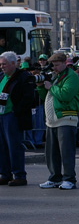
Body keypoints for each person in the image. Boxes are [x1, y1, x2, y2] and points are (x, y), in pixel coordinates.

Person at [38, 52, 79, 190]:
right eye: (53, 65)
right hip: (53, 120)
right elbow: (47, 96)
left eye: (57, 65)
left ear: (65, 63)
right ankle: (55, 177)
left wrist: (50, 86)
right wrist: (41, 86)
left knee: (66, 152)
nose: (55, 68)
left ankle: (69, 179)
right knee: (52, 153)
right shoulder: (57, 77)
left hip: (66, 118)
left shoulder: (72, 77)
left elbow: (65, 95)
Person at [0, 51, 35, 186]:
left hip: (12, 116)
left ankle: (19, 175)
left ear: (13, 64)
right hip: (1, 115)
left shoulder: (23, 77)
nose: (2, 67)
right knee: (2, 146)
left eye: (4, 64)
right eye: (1, 64)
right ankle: (5, 173)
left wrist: (16, 110)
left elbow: (28, 97)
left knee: (14, 146)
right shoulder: (2, 76)